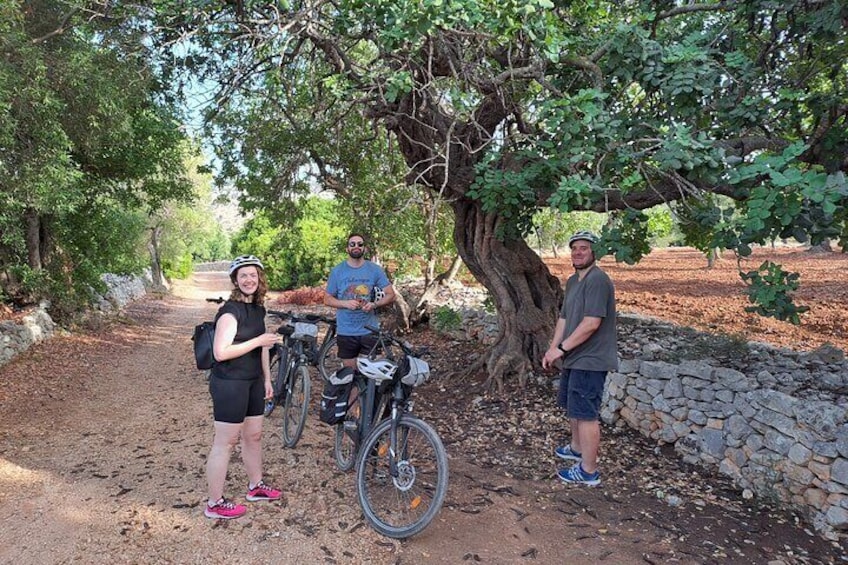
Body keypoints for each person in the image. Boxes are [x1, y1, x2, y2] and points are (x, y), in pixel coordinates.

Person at [204, 255, 283, 519]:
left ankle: (255, 486)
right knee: (226, 442)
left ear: (259, 278)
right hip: (229, 383)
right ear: (235, 280)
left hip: (253, 382)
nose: (249, 280)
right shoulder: (230, 311)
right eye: (243, 276)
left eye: (253, 275)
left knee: (254, 436)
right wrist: (258, 339)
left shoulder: (258, 309)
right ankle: (214, 503)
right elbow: (220, 353)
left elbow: (262, 348)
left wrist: (267, 379)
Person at [542, 231, 618, 486]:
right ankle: (576, 448)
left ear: (594, 252)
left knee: (586, 415)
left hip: (591, 359)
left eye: (584, 248)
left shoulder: (597, 280)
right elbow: (564, 319)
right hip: (574, 356)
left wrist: (561, 349)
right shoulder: (574, 281)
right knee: (574, 408)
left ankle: (588, 471)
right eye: (574, 248)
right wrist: (552, 349)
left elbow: (592, 323)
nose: (578, 252)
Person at [324, 233, 396, 371]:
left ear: (364, 248)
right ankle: (353, 393)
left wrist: (374, 304)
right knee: (350, 374)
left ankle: (369, 393)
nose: (356, 246)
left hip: (369, 331)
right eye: (352, 244)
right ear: (347, 248)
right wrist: (345, 304)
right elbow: (327, 299)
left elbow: (391, 295)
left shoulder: (374, 270)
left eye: (360, 244)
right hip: (346, 331)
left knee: (369, 375)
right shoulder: (337, 271)